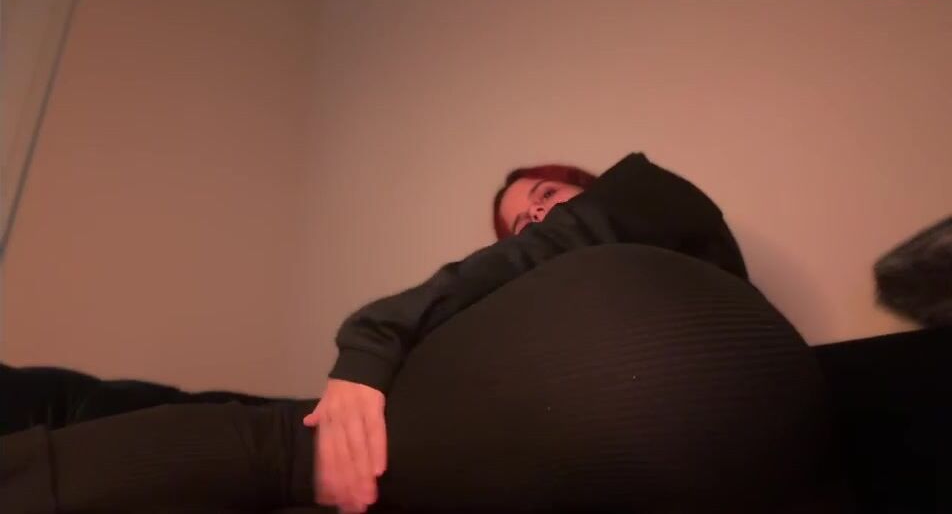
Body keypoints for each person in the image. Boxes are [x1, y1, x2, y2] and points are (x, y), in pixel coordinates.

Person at [1, 153, 847, 513]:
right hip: (504, 466)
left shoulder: (651, 197)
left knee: (273, 439)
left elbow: (564, 241)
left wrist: (369, 341)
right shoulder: (503, 323)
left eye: (547, 196)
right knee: (279, 435)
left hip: (737, 436)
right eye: (516, 222)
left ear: (587, 183)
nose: (535, 219)